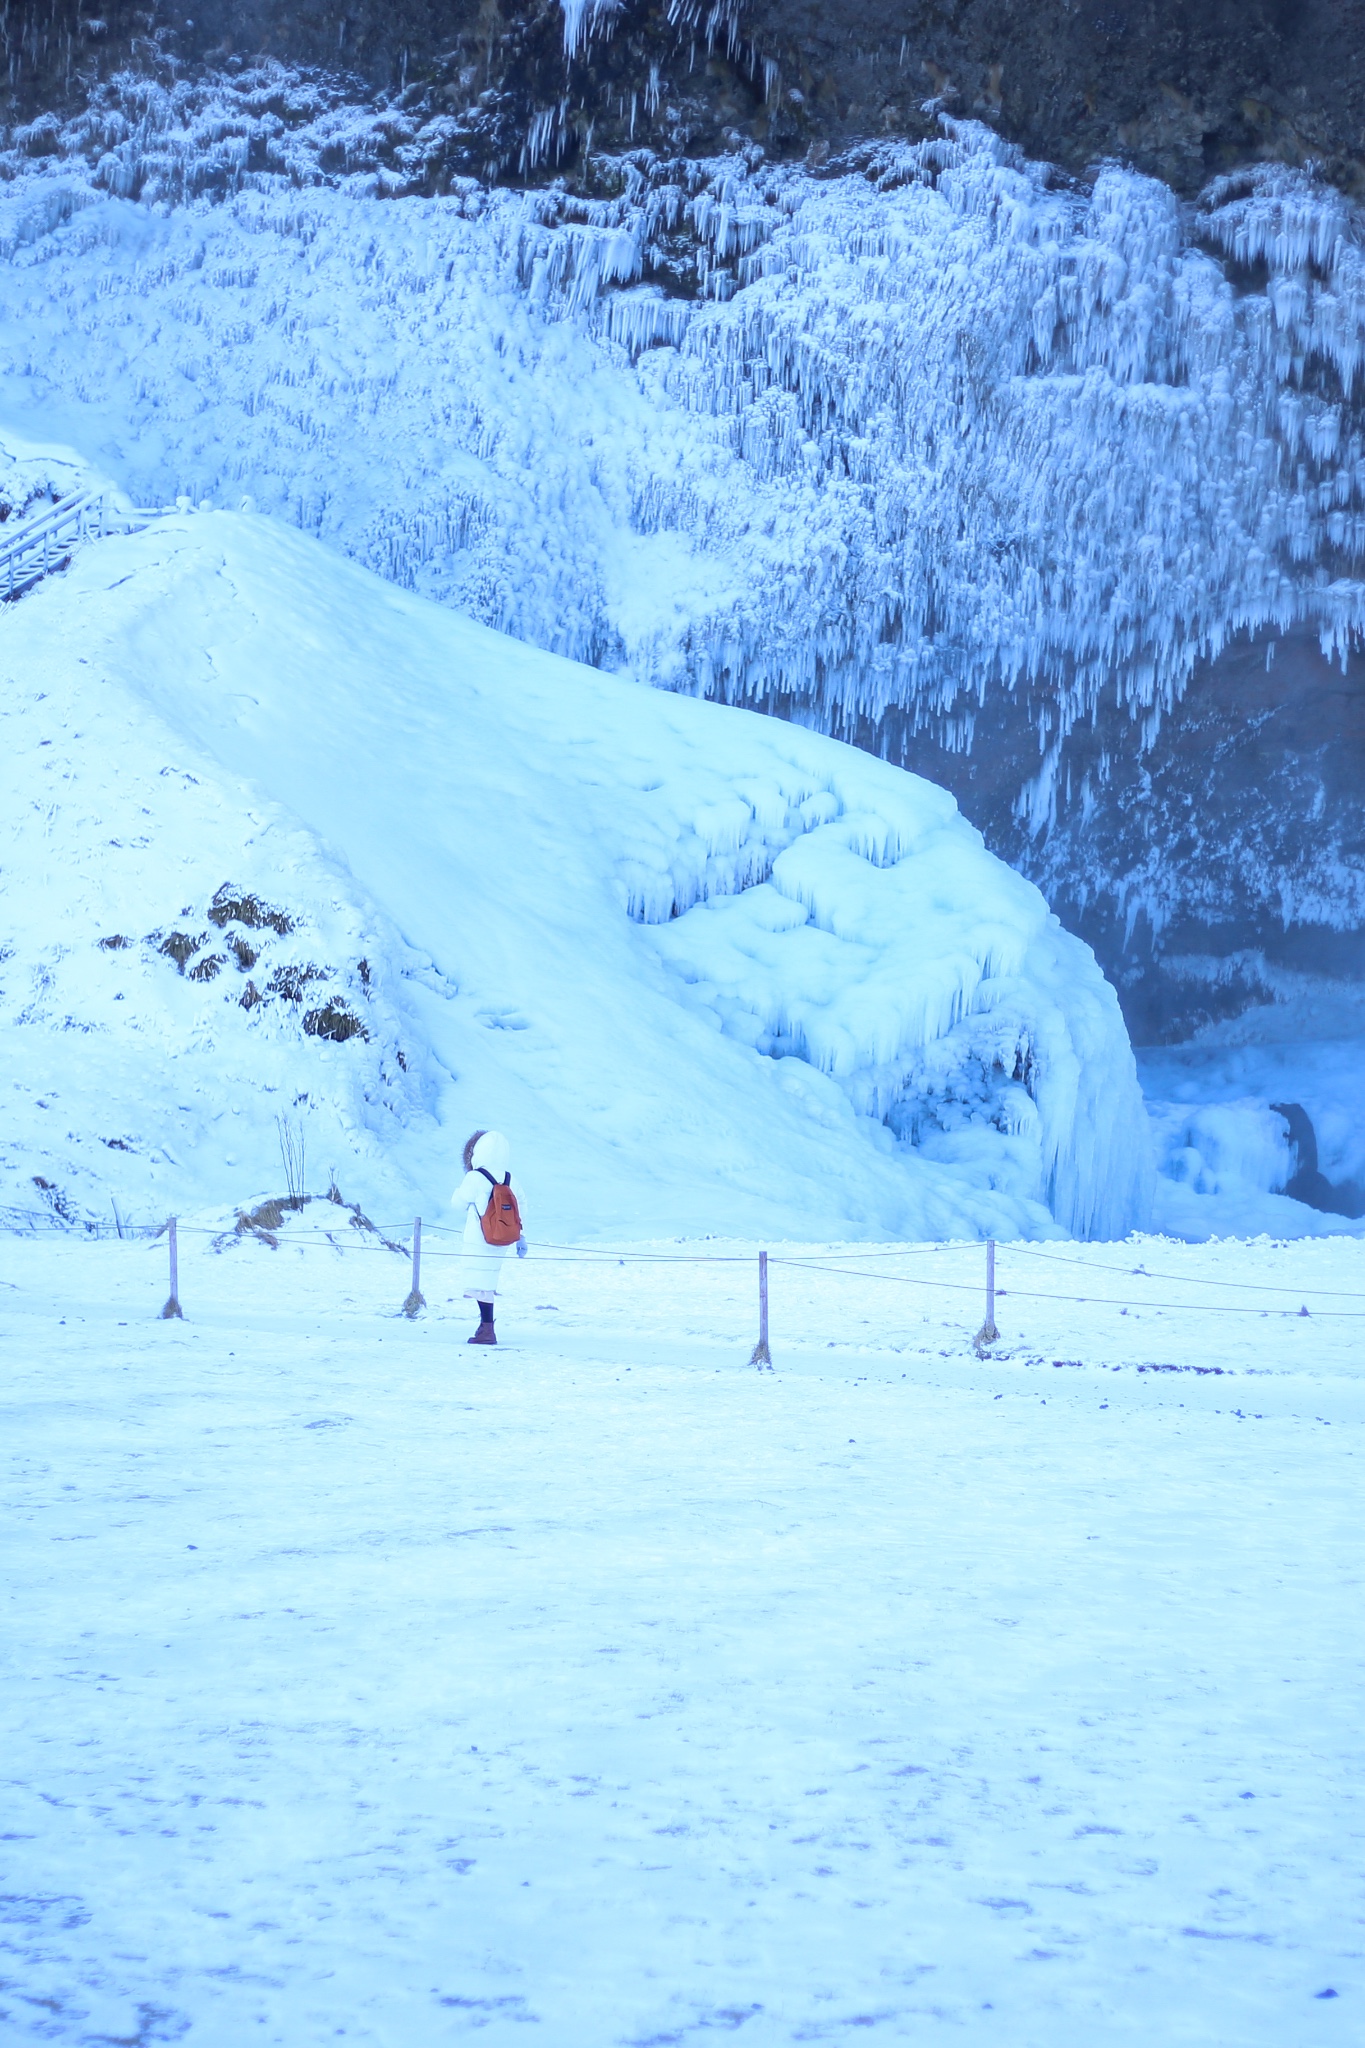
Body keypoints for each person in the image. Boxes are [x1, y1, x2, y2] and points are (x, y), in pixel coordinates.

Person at [452, 1129, 525, 1345]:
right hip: (501, 1237)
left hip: (479, 1237)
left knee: (479, 1282)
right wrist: (522, 1236)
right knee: (487, 1282)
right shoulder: (511, 1179)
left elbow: (457, 1204)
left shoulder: (474, 1177)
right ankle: (485, 1327)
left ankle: (487, 1330)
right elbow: (522, 1207)